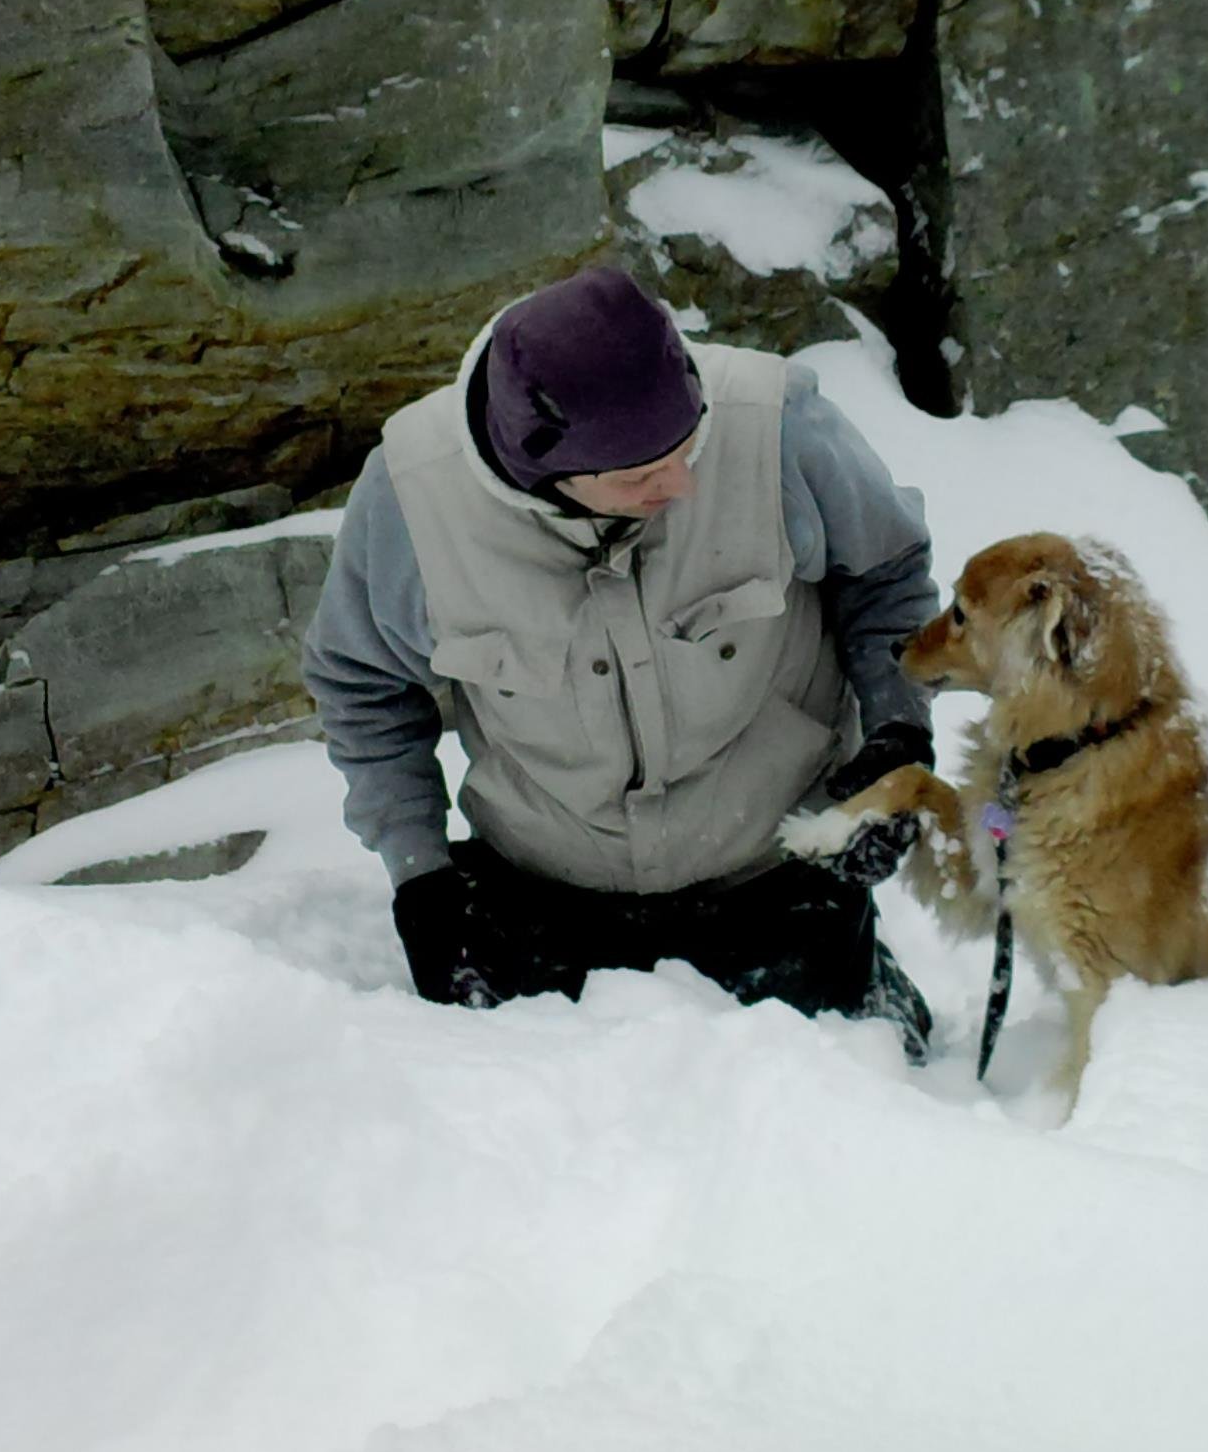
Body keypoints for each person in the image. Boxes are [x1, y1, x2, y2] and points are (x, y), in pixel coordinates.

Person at [301, 264, 938, 1054]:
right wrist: (421, 879)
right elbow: (362, 687)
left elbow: (887, 578)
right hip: (545, 897)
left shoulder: (779, 427)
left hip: (778, 875)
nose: (680, 481)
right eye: (641, 475)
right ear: (545, 471)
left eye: (688, 445)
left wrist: (899, 734)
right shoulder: (411, 499)